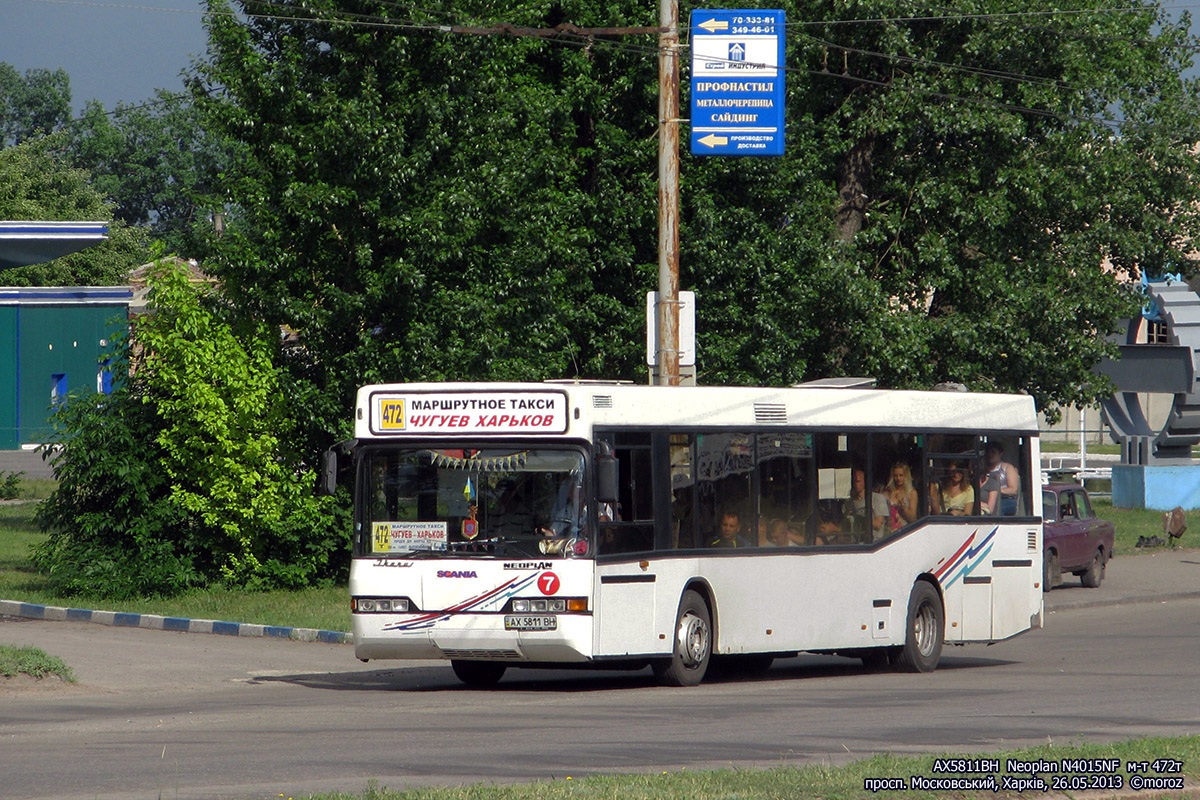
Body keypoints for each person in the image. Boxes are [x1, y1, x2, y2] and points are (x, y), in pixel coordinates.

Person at [848, 468, 889, 539]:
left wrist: (859, 519)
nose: (855, 484)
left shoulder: (877, 498)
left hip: (875, 542)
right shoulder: (849, 502)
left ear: (865, 481)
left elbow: (878, 524)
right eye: (853, 481)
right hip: (854, 541)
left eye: (858, 481)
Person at [982, 442, 1019, 516]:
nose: (990, 455)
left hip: (1006, 500)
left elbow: (1013, 490)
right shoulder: (983, 469)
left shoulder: (1007, 468)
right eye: (988, 452)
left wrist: (995, 491)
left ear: (1000, 454)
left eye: (993, 452)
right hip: (987, 499)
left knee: (996, 511)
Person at [885, 462, 919, 532]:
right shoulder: (889, 491)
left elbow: (912, 518)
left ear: (906, 476)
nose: (898, 478)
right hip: (889, 528)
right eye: (895, 475)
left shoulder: (912, 493)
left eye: (901, 475)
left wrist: (902, 505)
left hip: (905, 530)